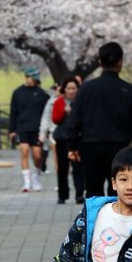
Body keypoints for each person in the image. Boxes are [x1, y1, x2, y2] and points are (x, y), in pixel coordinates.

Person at [68, 42, 132, 197]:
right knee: (118, 191)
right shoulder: (130, 91)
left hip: (90, 146)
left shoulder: (86, 89)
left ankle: (94, 220)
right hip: (120, 148)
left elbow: (75, 120)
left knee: (92, 191)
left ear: (100, 62)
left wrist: (71, 146)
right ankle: (117, 220)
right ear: (120, 62)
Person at [10, 66, 49, 192]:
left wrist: (46, 130)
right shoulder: (17, 93)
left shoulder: (42, 94)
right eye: (31, 78)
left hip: (37, 129)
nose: (33, 80)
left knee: (37, 156)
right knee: (24, 151)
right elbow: (13, 112)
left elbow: (47, 113)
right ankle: (26, 182)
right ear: (26, 77)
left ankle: (36, 177)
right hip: (22, 128)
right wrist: (12, 130)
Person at [53, 76, 85, 204]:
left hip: (78, 139)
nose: (71, 91)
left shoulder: (81, 102)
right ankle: (62, 195)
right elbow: (55, 119)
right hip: (62, 139)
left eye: (74, 88)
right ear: (64, 90)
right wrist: (64, 112)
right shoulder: (58, 102)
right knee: (62, 168)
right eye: (69, 88)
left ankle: (79, 193)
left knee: (79, 167)